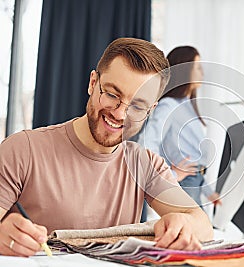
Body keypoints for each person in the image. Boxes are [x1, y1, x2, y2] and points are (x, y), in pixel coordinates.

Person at [0, 38, 213, 257]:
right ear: (93, 83)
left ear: (151, 109)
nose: (120, 114)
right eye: (112, 94)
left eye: (138, 106)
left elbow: (204, 226)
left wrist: (183, 224)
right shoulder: (22, 150)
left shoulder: (145, 164)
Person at [138, 46, 221, 207]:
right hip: (184, 184)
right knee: (197, 230)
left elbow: (192, 156)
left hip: (194, 181)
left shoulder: (188, 106)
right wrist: (172, 174)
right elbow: (146, 144)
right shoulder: (168, 105)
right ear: (185, 69)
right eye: (197, 67)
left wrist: (208, 192)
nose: (202, 72)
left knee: (197, 229)